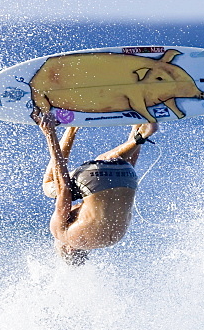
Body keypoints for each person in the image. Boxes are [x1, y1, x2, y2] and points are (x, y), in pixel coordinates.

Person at [35, 110, 158, 265]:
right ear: (69, 249)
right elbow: (63, 189)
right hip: (96, 177)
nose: (55, 241)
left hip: (128, 175)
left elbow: (121, 180)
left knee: (110, 163)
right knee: (48, 187)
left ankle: (140, 131)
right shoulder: (64, 235)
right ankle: (72, 128)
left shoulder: (113, 238)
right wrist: (49, 133)